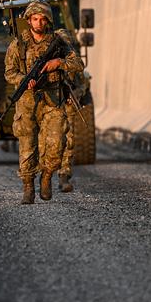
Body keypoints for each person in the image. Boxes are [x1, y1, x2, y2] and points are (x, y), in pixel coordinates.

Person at [4, 2, 84, 204]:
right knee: (27, 145)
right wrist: (24, 80)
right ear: (29, 20)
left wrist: (58, 63)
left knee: (57, 146)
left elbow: (78, 64)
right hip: (27, 102)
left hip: (52, 100)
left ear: (47, 20)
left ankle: (47, 176)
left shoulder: (57, 42)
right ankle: (28, 187)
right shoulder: (18, 45)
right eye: (34, 19)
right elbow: (9, 72)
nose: (38, 23)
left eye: (42, 19)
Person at [56, 29, 87, 193]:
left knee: (69, 139)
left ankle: (64, 176)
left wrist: (76, 93)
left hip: (68, 105)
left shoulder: (74, 63)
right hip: (50, 106)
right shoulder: (48, 62)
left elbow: (83, 83)